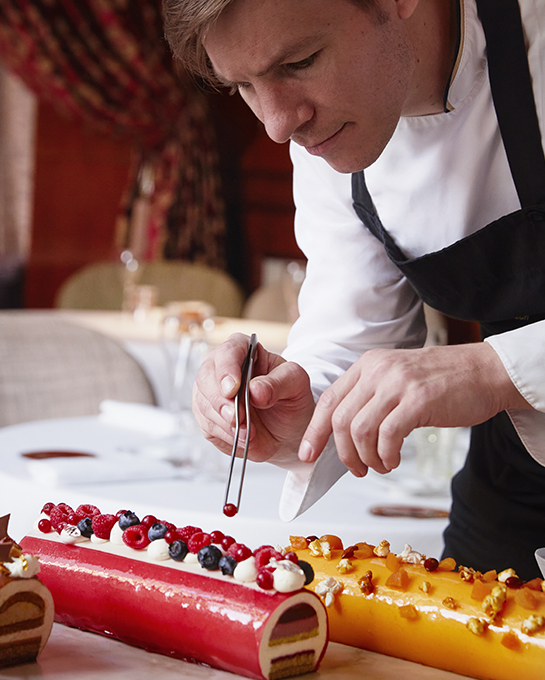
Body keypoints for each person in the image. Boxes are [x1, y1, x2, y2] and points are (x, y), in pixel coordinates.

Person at [163, 0, 545, 580]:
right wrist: (295, 410)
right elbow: (352, 334)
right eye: (243, 85)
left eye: (300, 62)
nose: (276, 125)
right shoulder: (326, 134)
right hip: (513, 492)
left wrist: (494, 371)